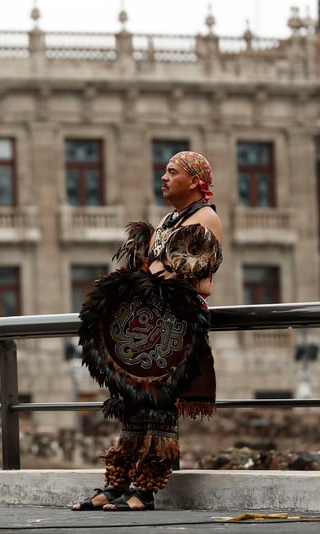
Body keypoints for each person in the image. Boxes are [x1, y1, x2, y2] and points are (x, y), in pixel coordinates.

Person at [71, 151, 223, 512]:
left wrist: (155, 274)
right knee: (131, 404)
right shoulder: (170, 219)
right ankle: (117, 483)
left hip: (176, 325)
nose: (164, 177)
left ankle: (146, 489)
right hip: (149, 321)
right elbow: (155, 269)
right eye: (165, 171)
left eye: (173, 172)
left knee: (158, 405)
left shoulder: (205, 217)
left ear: (196, 181)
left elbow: (197, 282)